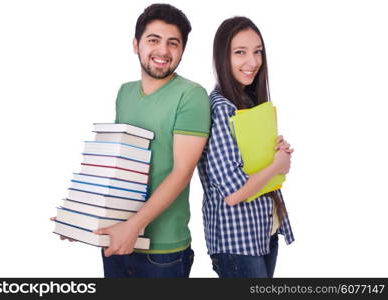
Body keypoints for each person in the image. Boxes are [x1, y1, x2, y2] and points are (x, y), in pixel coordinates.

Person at [82, 4, 210, 277]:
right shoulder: (124, 93)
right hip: (115, 238)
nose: (163, 51)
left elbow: (182, 171)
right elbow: (118, 165)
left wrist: (133, 226)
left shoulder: (191, 95)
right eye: (153, 40)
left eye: (173, 43)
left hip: (162, 252)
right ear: (136, 44)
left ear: (182, 50)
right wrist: (82, 218)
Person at [197, 16, 295, 278]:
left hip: (263, 230)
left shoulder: (249, 102)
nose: (252, 62)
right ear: (222, 57)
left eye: (257, 52)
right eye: (240, 52)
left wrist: (278, 153)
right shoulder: (220, 109)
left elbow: (257, 165)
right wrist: (277, 165)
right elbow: (234, 193)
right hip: (237, 243)